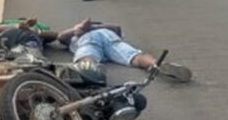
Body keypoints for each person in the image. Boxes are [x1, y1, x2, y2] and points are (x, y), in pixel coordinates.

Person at [55, 18, 192, 85]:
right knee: (135, 57)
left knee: (86, 56)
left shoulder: (91, 32)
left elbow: (117, 28)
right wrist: (77, 29)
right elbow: (61, 36)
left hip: (96, 38)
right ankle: (158, 64)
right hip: (100, 40)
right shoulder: (73, 36)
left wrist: (89, 28)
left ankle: (92, 70)